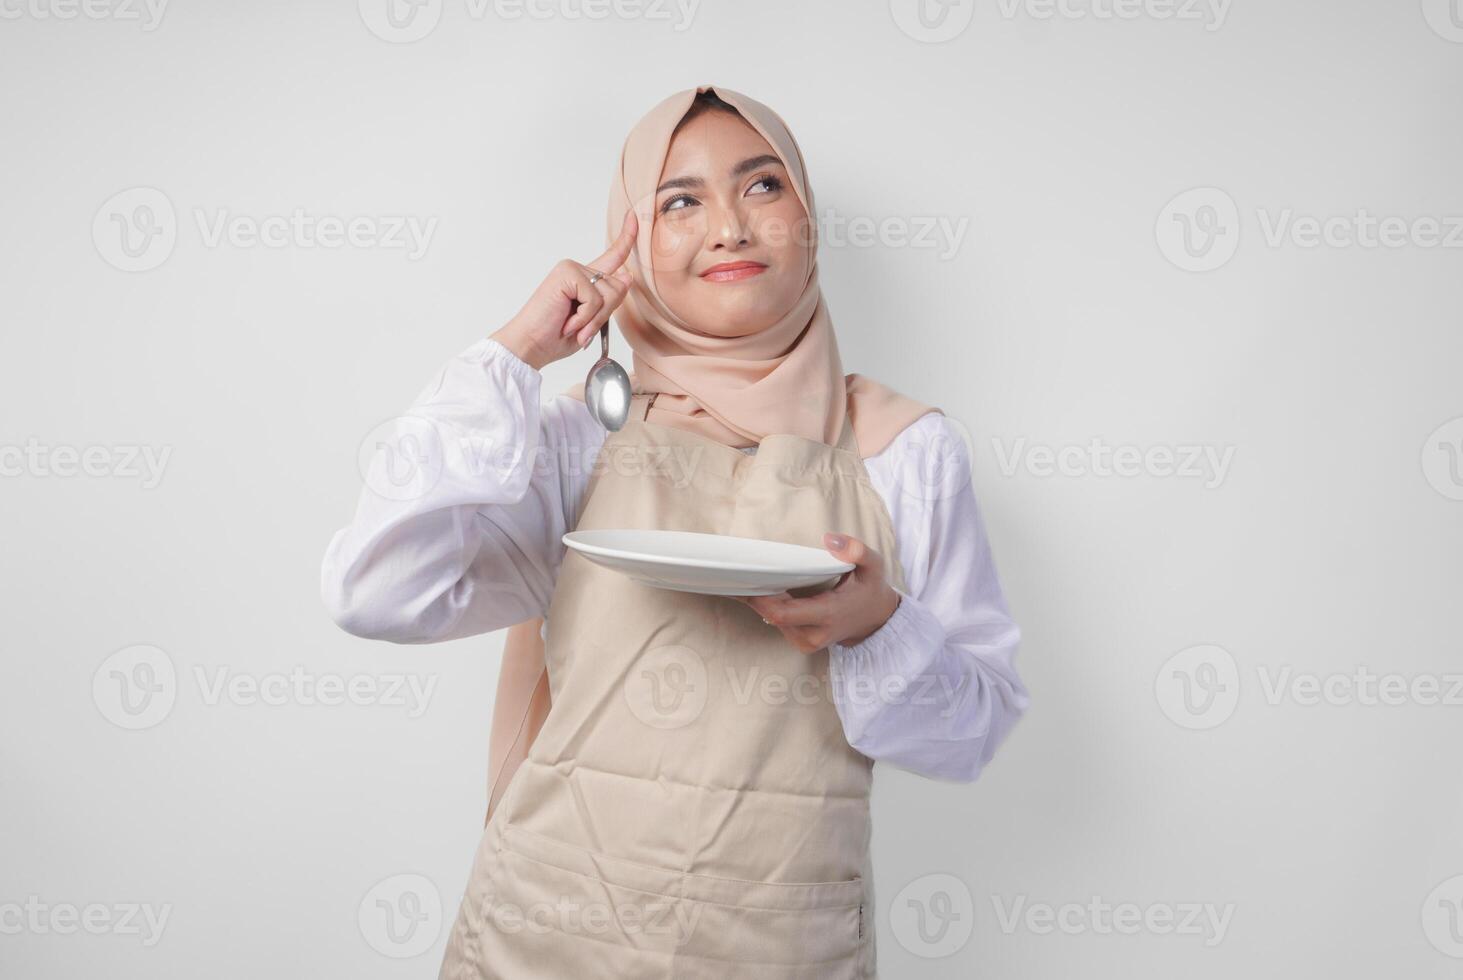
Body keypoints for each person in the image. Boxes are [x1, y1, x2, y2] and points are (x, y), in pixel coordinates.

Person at [321, 83, 1028, 978]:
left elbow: (972, 734)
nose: (729, 226)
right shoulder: (579, 435)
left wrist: (878, 624)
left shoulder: (908, 451)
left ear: (809, 221)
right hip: (544, 937)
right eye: (679, 200)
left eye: (764, 186)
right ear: (636, 240)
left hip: (783, 946)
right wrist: (515, 354)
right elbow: (375, 592)